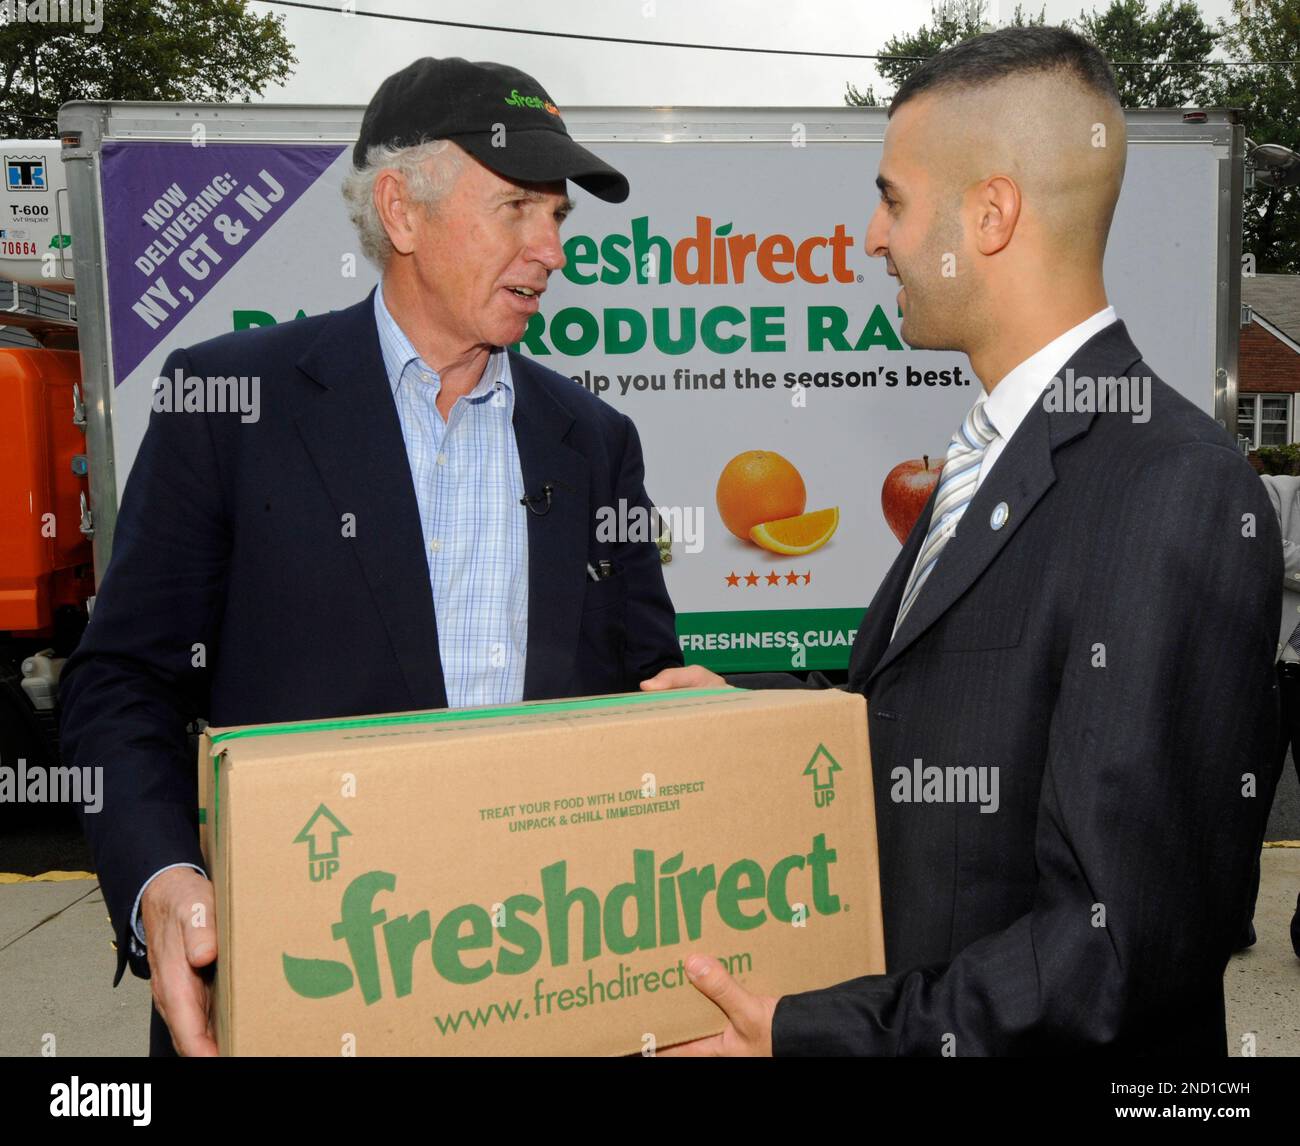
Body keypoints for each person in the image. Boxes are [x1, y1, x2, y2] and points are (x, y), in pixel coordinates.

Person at [643, 26, 1281, 1055]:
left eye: (891, 198)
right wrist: (749, 720)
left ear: (990, 215)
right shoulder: (994, 452)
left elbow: (1111, 958)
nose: (872, 238)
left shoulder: (1171, 490)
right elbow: (946, 715)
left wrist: (813, 1036)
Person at [58, 57, 681, 1057]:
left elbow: (647, 679)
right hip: (303, 986)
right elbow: (123, 680)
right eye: (518, 208)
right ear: (400, 210)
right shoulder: (230, 402)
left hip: (544, 985)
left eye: (556, 217)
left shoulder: (593, 439)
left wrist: (702, 721)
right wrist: (163, 882)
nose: (549, 250)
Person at [1250, 474, 1300, 956]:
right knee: (1244, 805)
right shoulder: (1274, 490)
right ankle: (1228, 921)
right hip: (1266, 671)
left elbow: (1283, 559)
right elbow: (1261, 552)